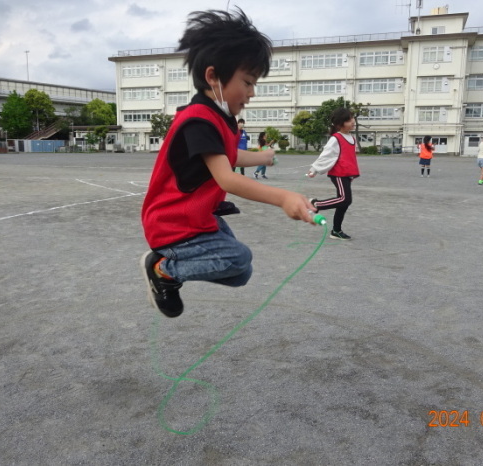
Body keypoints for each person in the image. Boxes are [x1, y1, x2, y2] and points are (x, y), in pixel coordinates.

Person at [140, 8, 316, 318]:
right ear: (213, 77)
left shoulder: (221, 119)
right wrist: (284, 197)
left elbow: (228, 157)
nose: (251, 93)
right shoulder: (198, 120)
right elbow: (227, 178)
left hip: (197, 218)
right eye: (247, 82)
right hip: (173, 223)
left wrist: (262, 157)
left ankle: (170, 268)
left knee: (240, 272)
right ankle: (163, 269)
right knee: (238, 257)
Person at [307, 107, 359, 240]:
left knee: (344, 203)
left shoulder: (351, 138)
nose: (352, 121)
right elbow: (326, 155)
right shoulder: (336, 138)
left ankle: (336, 230)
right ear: (339, 124)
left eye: (352, 118)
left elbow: (350, 158)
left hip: (346, 174)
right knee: (344, 199)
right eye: (348, 120)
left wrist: (351, 174)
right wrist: (314, 169)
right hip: (338, 173)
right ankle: (316, 204)